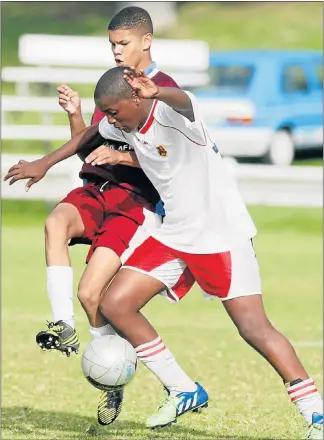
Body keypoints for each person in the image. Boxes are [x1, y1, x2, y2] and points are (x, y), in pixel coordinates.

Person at [5, 67, 323, 438]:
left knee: (254, 328)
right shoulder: (120, 122)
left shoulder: (173, 115)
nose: (109, 120)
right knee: (114, 304)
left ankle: (315, 412)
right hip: (174, 234)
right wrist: (45, 162)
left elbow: (186, 101)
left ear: (137, 98)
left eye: (113, 111)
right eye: (105, 112)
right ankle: (183, 389)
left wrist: (160, 92)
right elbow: (89, 136)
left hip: (220, 235)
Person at [5, 6, 197, 428]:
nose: (115, 51)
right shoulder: (113, 85)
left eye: (123, 43)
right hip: (94, 190)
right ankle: (61, 325)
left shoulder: (162, 90)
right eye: (111, 43)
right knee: (55, 222)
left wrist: (124, 156)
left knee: (92, 293)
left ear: (146, 41)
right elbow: (89, 143)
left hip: (134, 203)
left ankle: (114, 380)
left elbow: (170, 160)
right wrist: (68, 125)